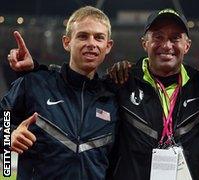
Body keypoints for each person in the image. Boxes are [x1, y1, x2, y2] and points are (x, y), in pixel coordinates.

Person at [5, 8, 199, 180]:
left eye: (175, 38)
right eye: (158, 37)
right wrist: (8, 141)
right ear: (144, 42)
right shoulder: (118, 83)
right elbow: (15, 116)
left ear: (186, 46)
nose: (166, 45)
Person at [1, 6, 118, 179]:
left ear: (108, 46)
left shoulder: (113, 101)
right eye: (83, 36)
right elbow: (4, 118)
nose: (91, 44)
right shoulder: (35, 83)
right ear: (67, 42)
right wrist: (8, 136)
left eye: (99, 38)